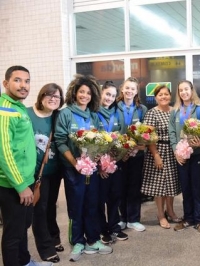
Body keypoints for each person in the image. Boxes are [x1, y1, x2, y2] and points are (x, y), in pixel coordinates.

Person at [55, 74, 112, 262]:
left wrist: (97, 157)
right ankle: (77, 241)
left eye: (88, 93)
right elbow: (61, 141)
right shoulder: (66, 113)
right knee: (76, 206)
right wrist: (75, 163)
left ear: (92, 95)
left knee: (92, 204)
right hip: (74, 170)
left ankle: (93, 239)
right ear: (74, 92)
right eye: (81, 92)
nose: (84, 95)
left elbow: (100, 140)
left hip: (92, 170)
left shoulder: (93, 115)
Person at [0, 65, 52, 266]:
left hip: (25, 180)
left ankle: (24, 261)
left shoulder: (17, 106)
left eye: (27, 81)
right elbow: (4, 152)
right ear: (6, 83)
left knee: (22, 227)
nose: (23, 85)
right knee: (13, 233)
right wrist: (21, 186)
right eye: (17, 80)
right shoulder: (5, 109)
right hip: (13, 184)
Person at [28, 83, 64, 263]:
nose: (53, 99)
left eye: (57, 97)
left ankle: (54, 237)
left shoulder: (59, 116)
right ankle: (45, 248)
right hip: (34, 172)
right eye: (49, 95)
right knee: (39, 209)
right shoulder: (28, 114)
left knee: (51, 205)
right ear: (41, 96)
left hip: (55, 170)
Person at [169, 80, 200, 235]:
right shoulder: (175, 111)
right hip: (182, 156)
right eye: (181, 90)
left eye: (186, 89)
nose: (183, 92)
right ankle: (188, 218)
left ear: (191, 90)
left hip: (198, 155)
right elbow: (172, 132)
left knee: (198, 188)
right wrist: (176, 152)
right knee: (186, 189)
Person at [141, 84, 181, 229]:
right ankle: (160, 214)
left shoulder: (175, 111)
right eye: (160, 95)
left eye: (166, 94)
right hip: (158, 151)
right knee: (159, 186)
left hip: (173, 150)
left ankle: (170, 211)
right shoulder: (152, 113)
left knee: (171, 184)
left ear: (170, 96)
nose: (163, 97)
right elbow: (148, 136)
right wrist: (156, 155)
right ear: (156, 97)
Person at [97, 81, 128, 243]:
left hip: (115, 163)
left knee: (115, 196)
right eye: (107, 94)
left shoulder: (118, 112)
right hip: (99, 165)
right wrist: (100, 165)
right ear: (101, 93)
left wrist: (116, 157)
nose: (110, 98)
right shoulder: (94, 112)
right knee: (101, 198)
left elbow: (121, 137)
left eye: (113, 95)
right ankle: (103, 230)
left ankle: (115, 227)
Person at [117, 77, 148, 232]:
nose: (129, 91)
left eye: (133, 89)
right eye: (127, 88)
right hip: (119, 155)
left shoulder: (142, 109)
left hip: (136, 155)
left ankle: (134, 219)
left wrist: (137, 147)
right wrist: (121, 150)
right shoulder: (115, 107)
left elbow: (146, 133)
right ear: (122, 89)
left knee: (134, 187)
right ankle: (122, 218)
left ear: (136, 92)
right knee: (120, 186)